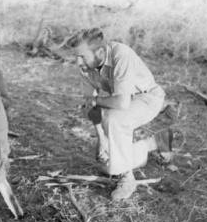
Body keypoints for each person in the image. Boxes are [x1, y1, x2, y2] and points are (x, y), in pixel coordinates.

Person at [70, 28, 173, 200]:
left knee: (114, 119)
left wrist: (96, 102)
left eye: (82, 56)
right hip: (123, 101)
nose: (78, 62)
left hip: (148, 97)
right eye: (76, 56)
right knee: (106, 166)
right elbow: (90, 104)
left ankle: (127, 178)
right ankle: (156, 142)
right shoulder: (85, 66)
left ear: (100, 52)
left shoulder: (121, 55)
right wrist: (101, 140)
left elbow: (121, 103)